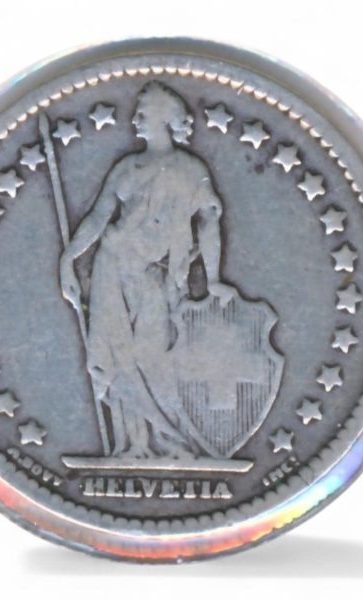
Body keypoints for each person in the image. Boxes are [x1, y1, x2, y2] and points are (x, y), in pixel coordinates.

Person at [59, 81, 234, 458]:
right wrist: (68, 259)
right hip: (112, 268)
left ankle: (170, 441)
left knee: (152, 355)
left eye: (142, 113)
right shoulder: (127, 167)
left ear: (164, 119)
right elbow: (98, 218)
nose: (134, 119)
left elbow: (208, 225)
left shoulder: (191, 170)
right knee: (115, 355)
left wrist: (215, 279)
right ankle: (132, 444)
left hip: (157, 274)